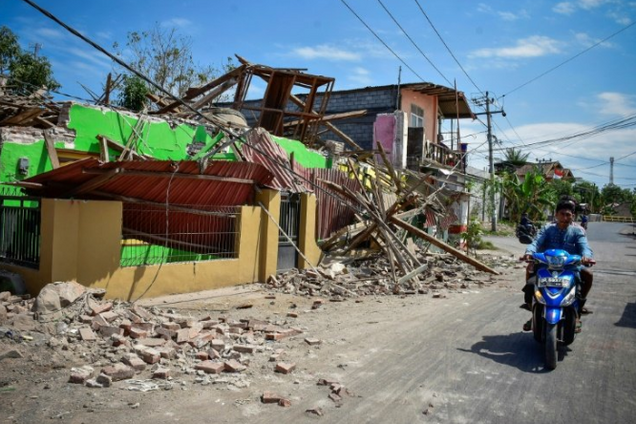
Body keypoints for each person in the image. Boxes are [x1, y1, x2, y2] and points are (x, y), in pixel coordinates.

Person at [521, 199, 595, 331]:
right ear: (556, 214)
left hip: (570, 267)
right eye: (562, 214)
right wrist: (529, 253)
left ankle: (577, 311)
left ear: (573, 215)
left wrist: (586, 256)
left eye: (568, 214)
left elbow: (584, 246)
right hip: (546, 266)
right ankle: (533, 310)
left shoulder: (578, 231)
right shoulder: (547, 228)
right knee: (531, 277)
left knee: (588, 275)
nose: (565, 217)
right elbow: (536, 242)